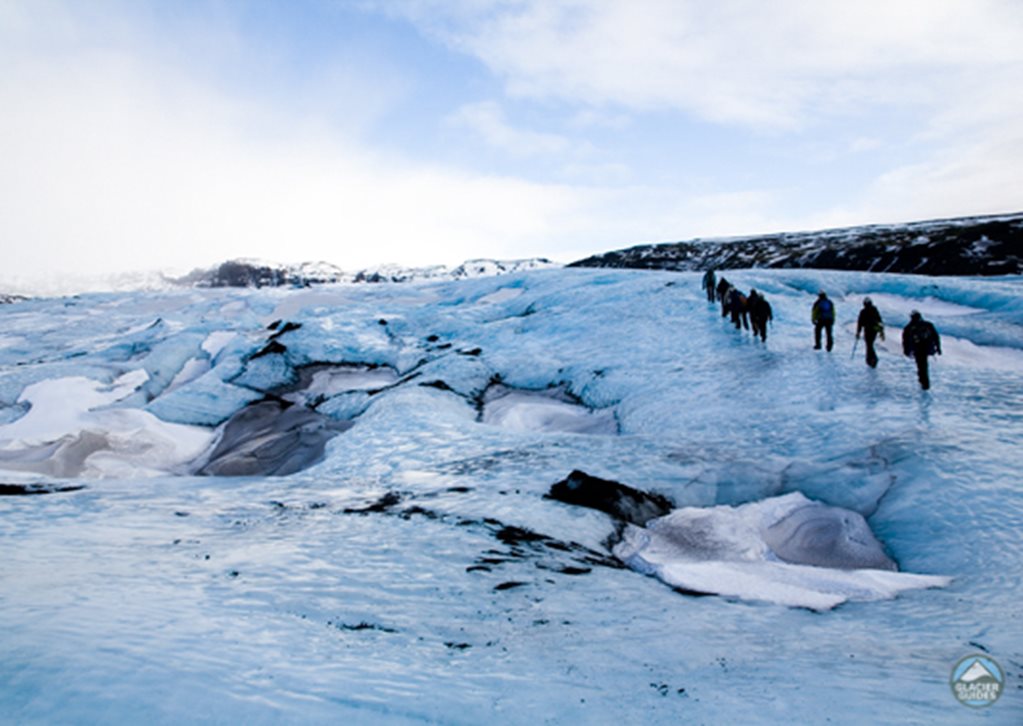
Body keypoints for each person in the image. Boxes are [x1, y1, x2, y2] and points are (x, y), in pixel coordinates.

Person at [902, 310, 941, 390]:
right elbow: (936, 337)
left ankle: (924, 383)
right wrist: (938, 348)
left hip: (917, 349)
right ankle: (925, 383)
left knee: (921, 366)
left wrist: (906, 351)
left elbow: (905, 340)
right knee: (924, 365)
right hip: (927, 348)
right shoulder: (928, 325)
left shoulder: (909, 327)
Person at [856, 297, 885, 368]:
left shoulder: (863, 311)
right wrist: (881, 330)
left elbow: (860, 323)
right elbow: (879, 320)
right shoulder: (874, 310)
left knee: (869, 344)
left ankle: (872, 359)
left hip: (867, 329)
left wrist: (858, 332)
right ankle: (870, 360)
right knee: (870, 344)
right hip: (874, 329)